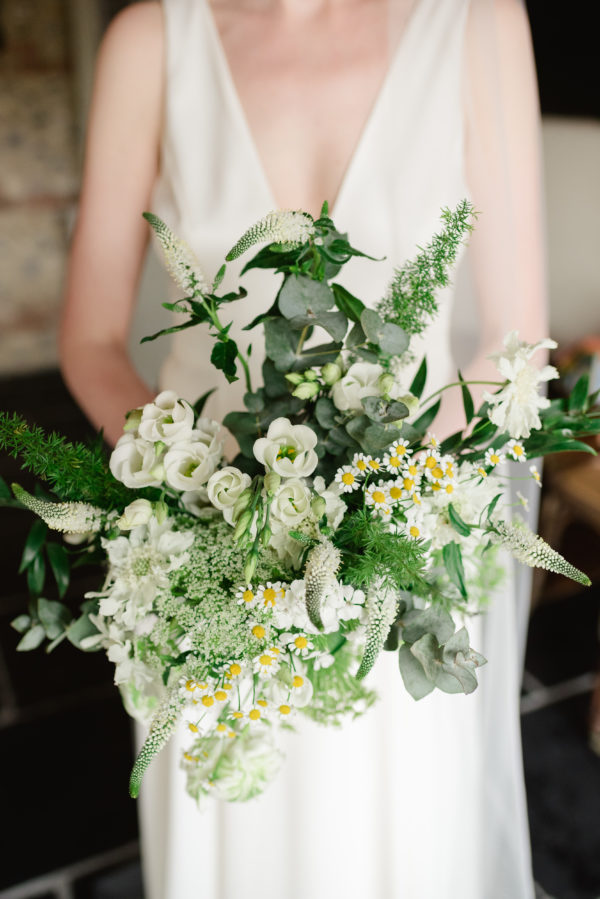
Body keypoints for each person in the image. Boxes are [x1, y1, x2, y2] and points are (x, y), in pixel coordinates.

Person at [60, 1, 547, 897]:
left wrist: (372, 519)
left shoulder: (476, 22)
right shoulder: (151, 43)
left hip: (401, 570)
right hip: (206, 581)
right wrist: (197, 503)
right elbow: (89, 343)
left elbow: (515, 342)